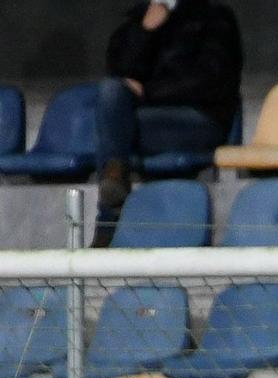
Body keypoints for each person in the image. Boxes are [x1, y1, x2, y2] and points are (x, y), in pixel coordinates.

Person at [97, 0, 244, 241]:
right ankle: (113, 183)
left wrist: (149, 93)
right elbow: (119, 72)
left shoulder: (214, 18)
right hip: (147, 121)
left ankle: (107, 223)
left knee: (111, 131)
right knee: (110, 93)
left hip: (200, 119)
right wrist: (146, 32)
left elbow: (212, 81)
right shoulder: (137, 20)